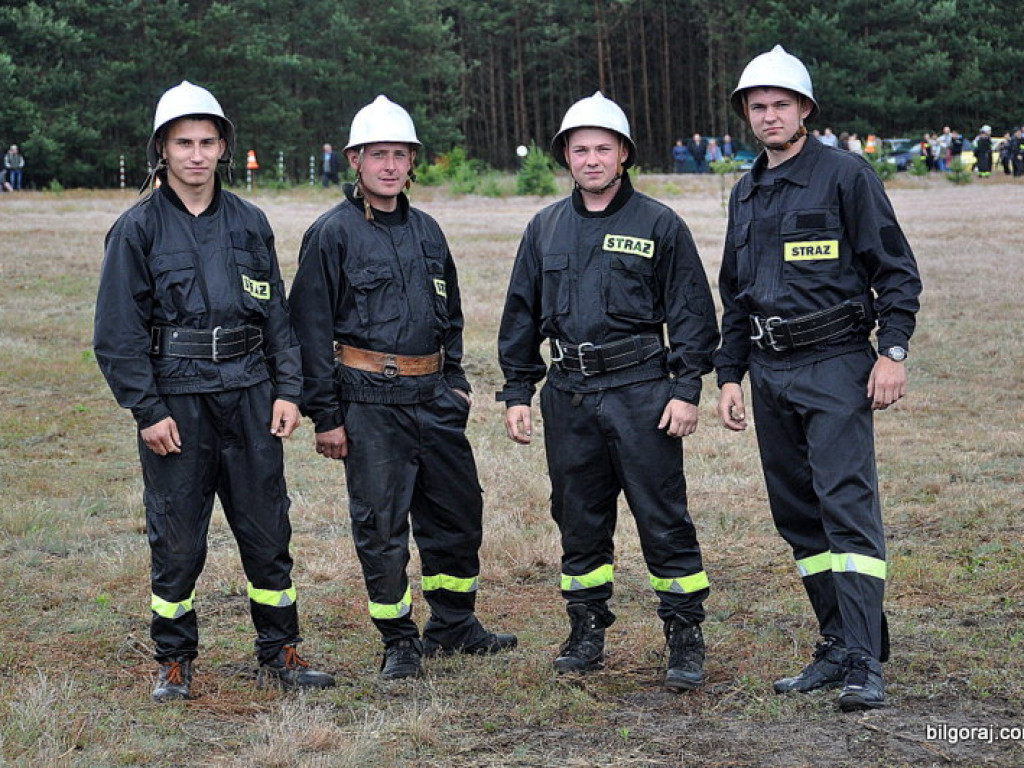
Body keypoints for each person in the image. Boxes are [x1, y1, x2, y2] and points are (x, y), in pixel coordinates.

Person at [93, 81, 335, 703]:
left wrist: (289, 391)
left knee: (267, 530)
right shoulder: (136, 231)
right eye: (184, 143)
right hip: (177, 403)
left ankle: (280, 650)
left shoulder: (250, 224)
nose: (196, 154)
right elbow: (117, 335)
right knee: (177, 538)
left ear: (224, 147)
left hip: (251, 395)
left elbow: (276, 317)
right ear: (163, 150)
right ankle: (174, 659)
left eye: (207, 141)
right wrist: (146, 409)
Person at [715, 45, 922, 711]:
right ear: (747, 114)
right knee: (799, 515)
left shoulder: (844, 176)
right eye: (758, 106)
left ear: (804, 110)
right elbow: (735, 296)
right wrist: (728, 376)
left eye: (781, 104)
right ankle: (835, 645)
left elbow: (895, 270)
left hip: (836, 364)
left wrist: (892, 352)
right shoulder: (744, 193)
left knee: (845, 507)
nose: (769, 115)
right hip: (769, 371)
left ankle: (866, 660)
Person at [288, 95, 516, 681]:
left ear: (412, 162)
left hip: (435, 400)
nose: (389, 166)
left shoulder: (428, 231)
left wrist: (458, 383)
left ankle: (454, 624)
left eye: (399, 155)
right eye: (377, 155)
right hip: (368, 406)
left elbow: (453, 315)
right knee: (381, 526)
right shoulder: (330, 236)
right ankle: (399, 641)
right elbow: (309, 333)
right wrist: (327, 417)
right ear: (355, 161)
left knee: (458, 517)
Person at [497, 91, 719, 691]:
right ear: (565, 157)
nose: (591, 159)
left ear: (623, 154)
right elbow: (521, 315)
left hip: (642, 393)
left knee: (663, 516)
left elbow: (693, 314)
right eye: (580, 149)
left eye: (603, 148)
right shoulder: (544, 228)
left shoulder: (659, 224)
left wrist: (686, 389)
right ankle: (586, 627)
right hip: (567, 395)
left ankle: (683, 633)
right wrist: (518, 390)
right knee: (577, 518)